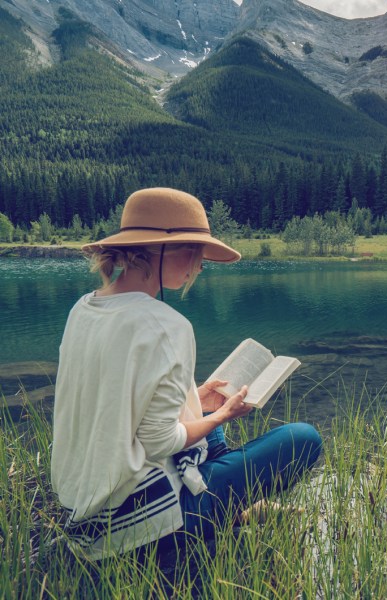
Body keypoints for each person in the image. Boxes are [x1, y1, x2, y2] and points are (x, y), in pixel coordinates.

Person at [51, 187, 322, 560]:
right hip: (136, 528)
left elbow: (115, 400)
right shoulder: (166, 326)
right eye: (196, 254)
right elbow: (160, 443)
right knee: (304, 439)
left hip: (82, 513)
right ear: (164, 252)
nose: (199, 267)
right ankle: (216, 509)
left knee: (202, 407)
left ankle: (231, 507)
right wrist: (224, 414)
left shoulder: (83, 310)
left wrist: (197, 395)